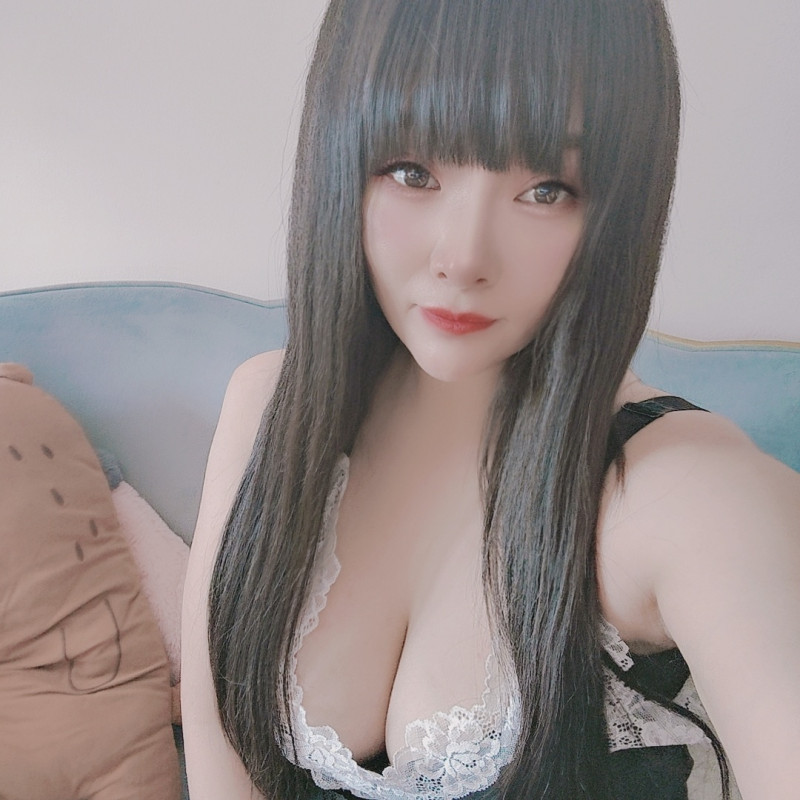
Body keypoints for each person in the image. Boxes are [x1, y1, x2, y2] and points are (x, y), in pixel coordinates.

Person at [181, 2, 800, 798]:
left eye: (547, 189)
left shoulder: (685, 493)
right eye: (413, 172)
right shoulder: (267, 407)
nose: (464, 256)